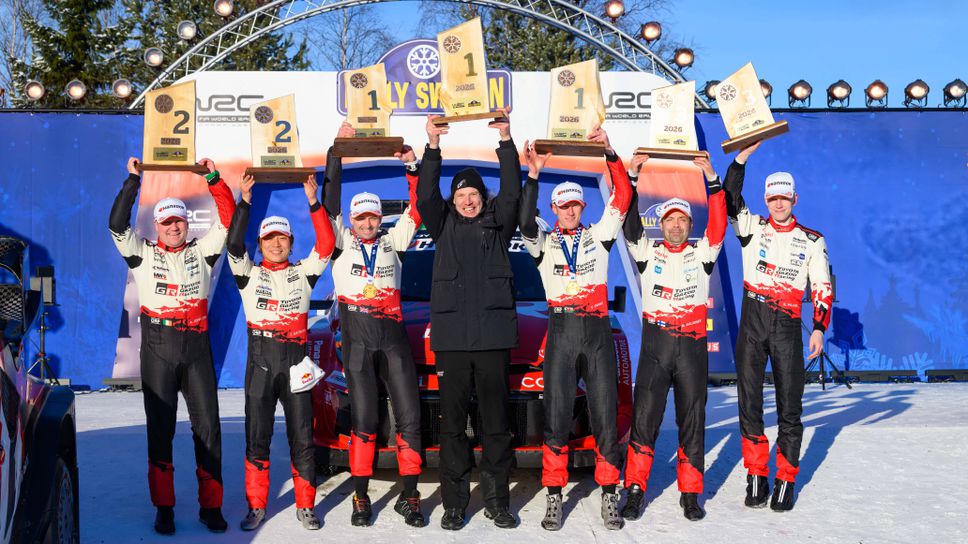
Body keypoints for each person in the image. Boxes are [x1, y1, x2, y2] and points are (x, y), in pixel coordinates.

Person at [109, 157, 234, 535]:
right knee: (160, 429)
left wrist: (212, 178)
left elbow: (227, 219)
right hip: (159, 347)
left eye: (178, 220)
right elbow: (116, 224)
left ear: (185, 223)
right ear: (158, 226)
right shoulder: (143, 253)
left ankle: (210, 507)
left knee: (208, 428)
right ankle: (164, 508)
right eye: (166, 222)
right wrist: (133, 181)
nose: (174, 227)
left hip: (196, 346)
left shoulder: (203, 252)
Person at [517, 127, 632, 531]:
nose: (570, 211)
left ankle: (609, 493)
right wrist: (534, 173)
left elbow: (623, 198)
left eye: (575, 205)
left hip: (596, 330)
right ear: (553, 208)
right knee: (557, 414)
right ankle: (553, 494)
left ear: (583, 207)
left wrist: (609, 152)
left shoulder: (599, 237)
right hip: (562, 331)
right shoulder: (543, 243)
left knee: (603, 414)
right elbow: (522, 220)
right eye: (563, 206)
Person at [416, 108, 521, 531]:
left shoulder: (499, 224)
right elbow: (425, 196)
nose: (467, 199)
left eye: (473, 193)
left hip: (494, 339)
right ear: (453, 201)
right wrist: (433, 147)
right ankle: (454, 504)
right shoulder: (441, 226)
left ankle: (498, 502)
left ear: (483, 197)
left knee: (496, 426)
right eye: (460, 195)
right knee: (453, 428)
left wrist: (506, 142)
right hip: (453, 341)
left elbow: (512, 192)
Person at [321, 123, 427, 528]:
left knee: (409, 417)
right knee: (365, 419)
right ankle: (361, 497)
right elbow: (328, 204)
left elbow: (417, 209)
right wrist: (337, 151)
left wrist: (412, 169)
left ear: (380, 218)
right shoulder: (340, 243)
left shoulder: (393, 241)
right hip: (359, 342)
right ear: (352, 220)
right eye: (361, 218)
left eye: (372, 217)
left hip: (394, 340)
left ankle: (410, 495)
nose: (367, 224)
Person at [722, 142, 832, 511]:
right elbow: (728, 197)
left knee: (790, 407)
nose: (779, 204)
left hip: (787, 325)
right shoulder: (751, 228)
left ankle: (786, 477)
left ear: (795, 199)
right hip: (753, 320)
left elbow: (822, 286)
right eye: (773, 199)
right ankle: (756, 475)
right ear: (766, 200)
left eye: (784, 198)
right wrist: (741, 158)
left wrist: (818, 327)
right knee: (749, 403)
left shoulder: (813, 240)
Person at [620, 153, 726, 522]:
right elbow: (629, 223)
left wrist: (712, 179)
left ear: (690, 224)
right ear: (661, 224)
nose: (676, 225)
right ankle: (634, 489)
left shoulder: (703, 252)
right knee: (645, 420)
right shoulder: (648, 252)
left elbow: (719, 223)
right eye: (670, 219)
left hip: (692, 349)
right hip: (656, 346)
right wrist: (632, 175)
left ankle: (691, 492)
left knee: (693, 419)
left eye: (682, 219)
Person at [227, 173, 335, 531]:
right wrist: (244, 201)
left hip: (295, 362)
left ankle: (306, 505)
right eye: (270, 238)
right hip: (260, 360)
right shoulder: (248, 273)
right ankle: (256, 506)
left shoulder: (304, 273)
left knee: (302, 436)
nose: (276, 244)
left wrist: (314, 202)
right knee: (257, 436)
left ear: (291, 242)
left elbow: (327, 243)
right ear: (261, 243)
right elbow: (233, 246)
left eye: (282, 238)